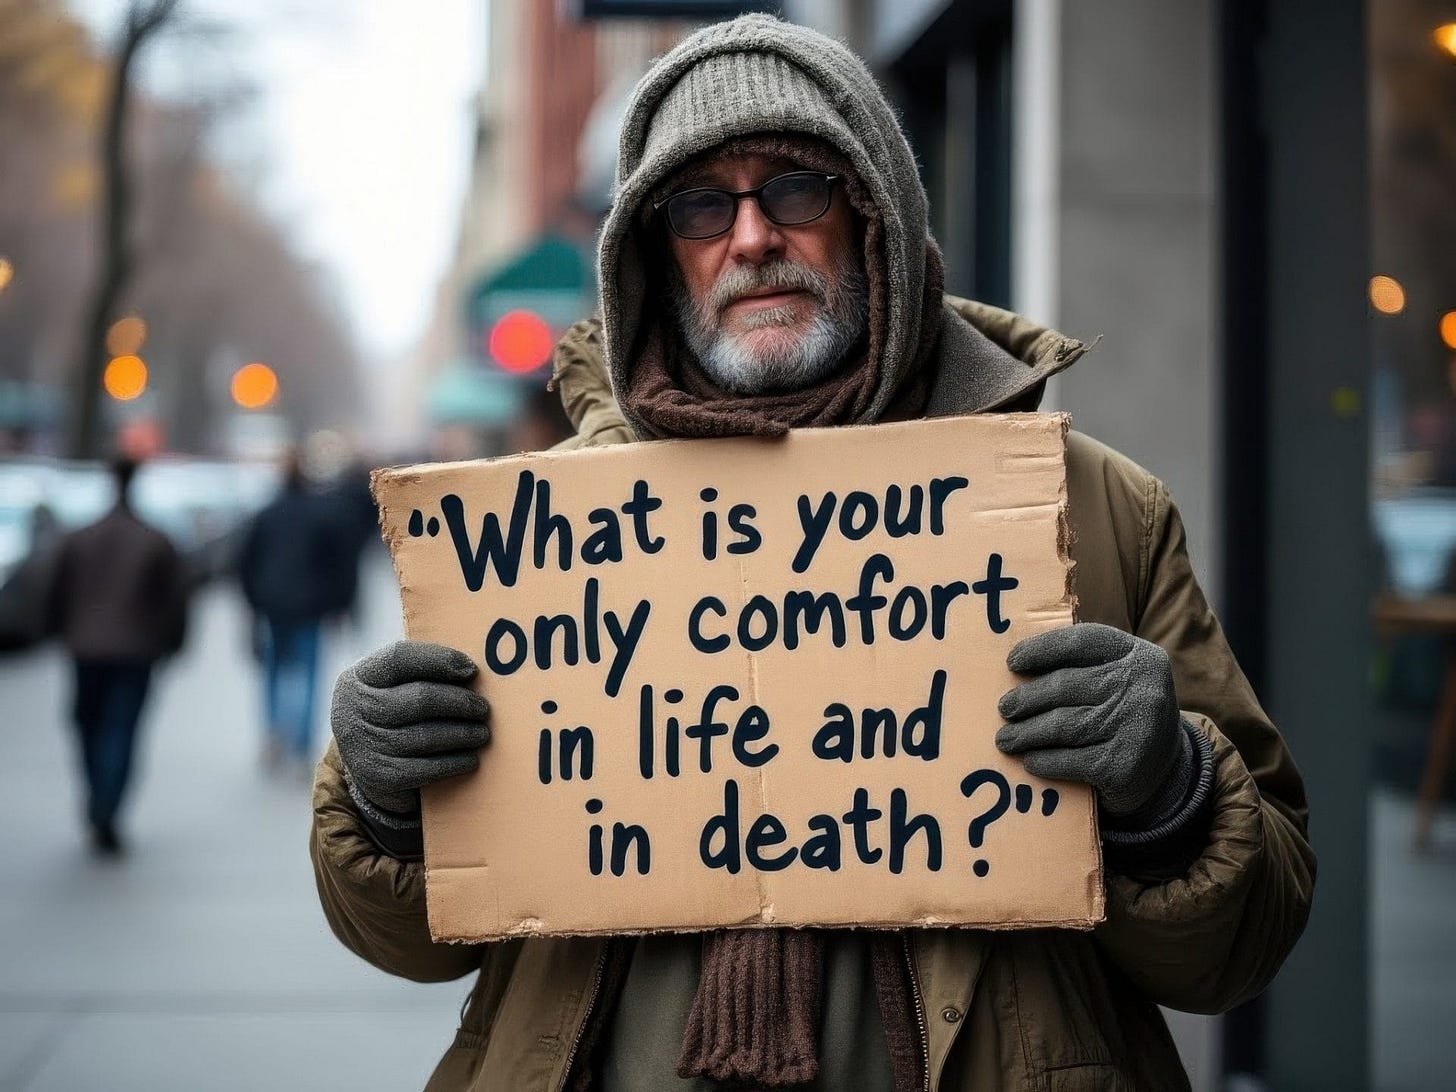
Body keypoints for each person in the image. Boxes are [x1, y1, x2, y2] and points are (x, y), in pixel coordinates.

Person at [311, 15, 1315, 1090]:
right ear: (655, 255)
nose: (749, 240)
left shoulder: (1089, 514)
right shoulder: (538, 544)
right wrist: (382, 804)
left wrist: (1167, 796)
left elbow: (1240, 950)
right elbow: (411, 941)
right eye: (702, 206)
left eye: (796, 187)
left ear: (875, 212)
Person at [51, 457, 188, 855]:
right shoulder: (154, 539)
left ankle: (99, 801)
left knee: (89, 726)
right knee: (121, 730)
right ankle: (107, 807)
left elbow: (56, 595)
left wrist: (62, 633)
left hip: (87, 650)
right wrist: (172, 643)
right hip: (135, 651)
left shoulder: (80, 537)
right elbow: (174, 602)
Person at [239, 452, 355, 773]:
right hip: (311, 608)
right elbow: (338, 566)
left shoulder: (266, 515)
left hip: (274, 607)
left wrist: (254, 601)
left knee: (274, 671)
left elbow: (245, 563)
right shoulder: (323, 515)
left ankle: (274, 732)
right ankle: (302, 743)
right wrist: (340, 605)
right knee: (308, 673)